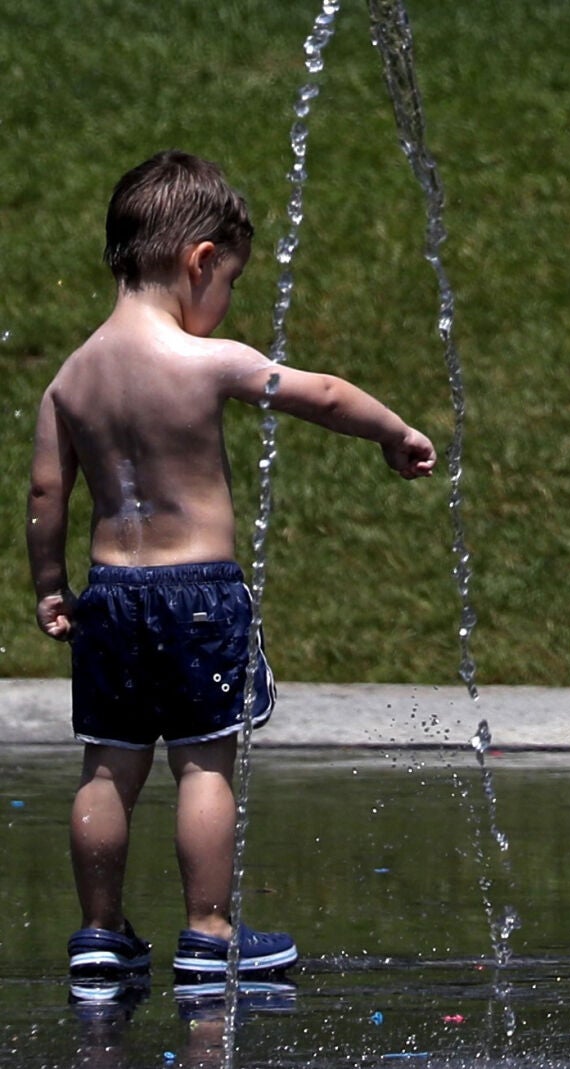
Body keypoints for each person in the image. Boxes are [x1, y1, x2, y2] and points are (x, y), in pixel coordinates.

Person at [27, 150, 437, 995]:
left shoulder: (69, 380)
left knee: (108, 768)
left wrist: (47, 585)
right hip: (199, 596)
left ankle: (100, 936)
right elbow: (318, 394)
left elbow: (45, 491)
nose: (228, 303)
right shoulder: (202, 362)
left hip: (110, 593)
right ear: (200, 261)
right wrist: (393, 431)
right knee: (204, 765)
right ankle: (210, 934)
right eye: (232, 283)